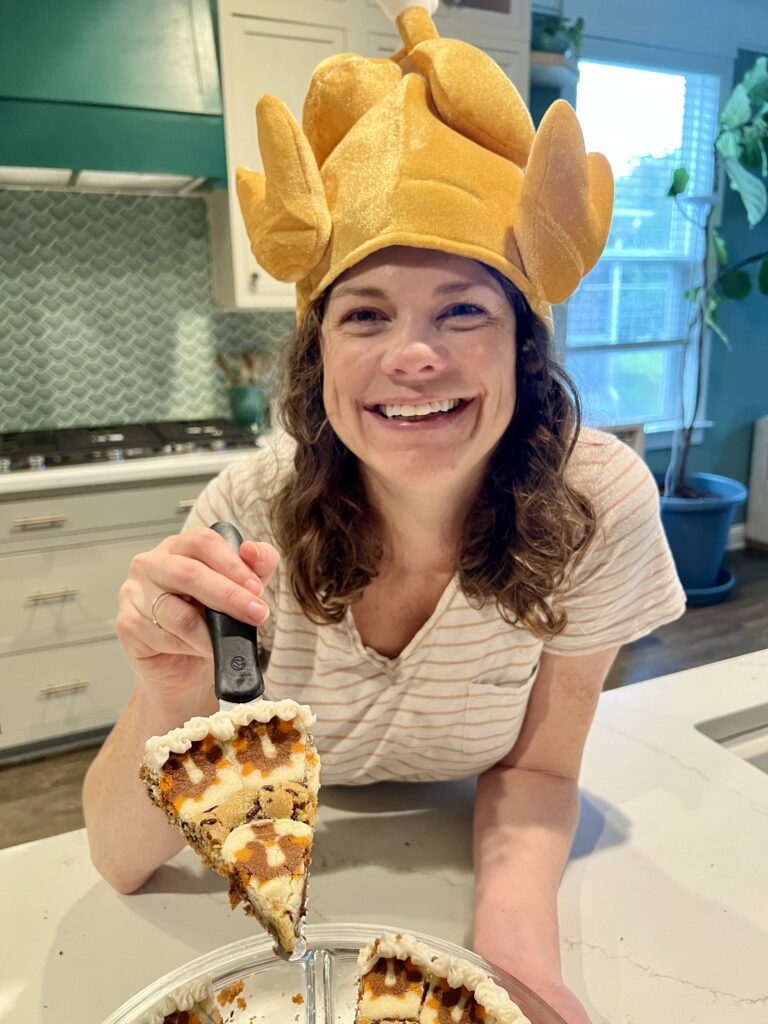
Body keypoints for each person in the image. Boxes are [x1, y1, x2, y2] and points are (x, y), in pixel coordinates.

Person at [83, 3, 685, 1021]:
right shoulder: (246, 515)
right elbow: (118, 859)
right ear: (319, 359)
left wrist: (512, 970)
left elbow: (538, 770)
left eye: (464, 309)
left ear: (522, 353)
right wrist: (169, 693)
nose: (415, 354)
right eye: (365, 313)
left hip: (471, 853)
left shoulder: (601, 501)